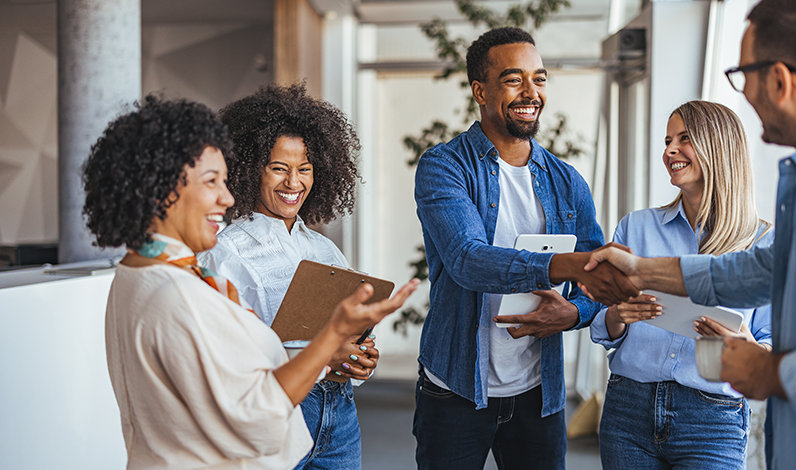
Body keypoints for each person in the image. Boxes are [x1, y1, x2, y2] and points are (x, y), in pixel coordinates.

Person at [82, 95, 417, 469]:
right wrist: (330, 340)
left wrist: (351, 348)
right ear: (165, 187)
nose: (226, 198)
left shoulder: (142, 272)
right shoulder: (182, 290)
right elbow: (255, 413)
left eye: (225, 181)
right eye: (212, 181)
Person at [583, 1, 796, 468]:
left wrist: (766, 368)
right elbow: (753, 271)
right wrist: (639, 270)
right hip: (633, 408)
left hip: (724, 418)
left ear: (779, 80)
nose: (746, 94)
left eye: (743, 74)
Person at [411, 27, 637, 470]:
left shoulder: (566, 181)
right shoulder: (444, 166)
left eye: (539, 78)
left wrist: (573, 313)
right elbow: (467, 260)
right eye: (514, 79)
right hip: (456, 389)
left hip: (538, 393)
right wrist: (565, 264)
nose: (530, 92)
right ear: (480, 90)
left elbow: (593, 285)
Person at [590, 100, 773, 469]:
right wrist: (618, 316)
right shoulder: (636, 227)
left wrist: (746, 347)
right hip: (629, 409)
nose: (670, 150)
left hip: (713, 420)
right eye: (667, 140)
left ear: (718, 147)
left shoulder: (763, 242)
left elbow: (773, 343)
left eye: (684, 138)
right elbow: (601, 322)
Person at [198, 84, 371, 470]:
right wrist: (324, 355)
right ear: (248, 169)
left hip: (339, 416)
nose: (293, 183)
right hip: (279, 412)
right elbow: (228, 360)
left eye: (304, 169)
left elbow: (346, 331)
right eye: (279, 168)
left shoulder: (325, 251)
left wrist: (358, 357)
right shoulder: (226, 252)